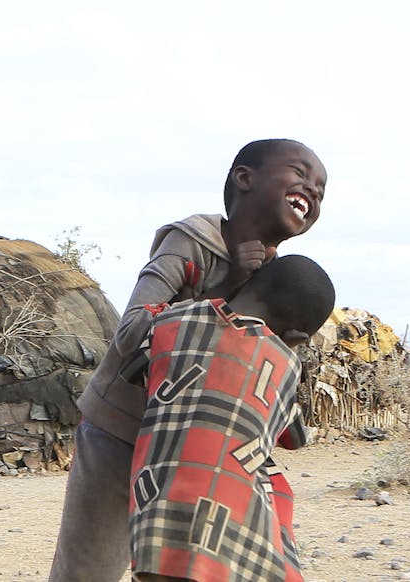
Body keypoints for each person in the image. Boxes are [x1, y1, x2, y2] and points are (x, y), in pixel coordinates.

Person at [48, 139, 328, 582]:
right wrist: (228, 289)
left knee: (191, 566)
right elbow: (131, 334)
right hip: (120, 431)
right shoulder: (193, 242)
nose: (311, 191)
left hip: (192, 448)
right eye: (300, 174)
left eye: (320, 190)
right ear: (245, 178)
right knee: (88, 569)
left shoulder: (282, 281)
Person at [127, 254, 336, 582]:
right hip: (227, 528)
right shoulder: (283, 364)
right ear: (296, 337)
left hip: (154, 511)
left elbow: (132, 370)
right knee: (275, 493)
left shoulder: (169, 321)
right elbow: (293, 438)